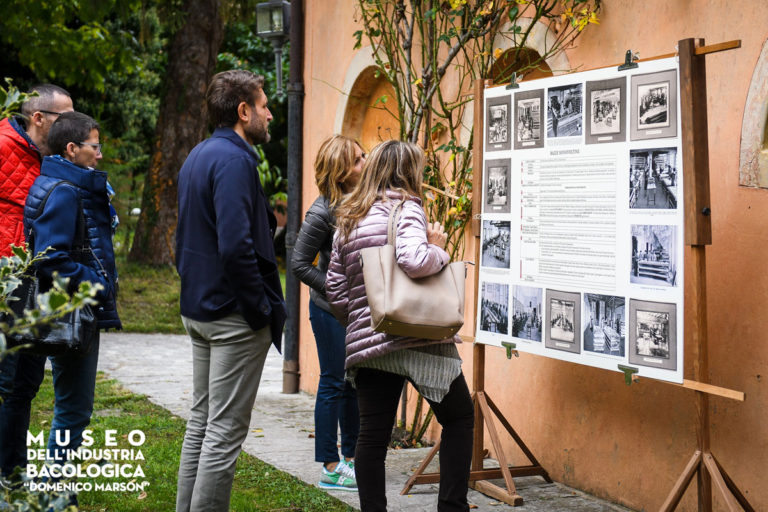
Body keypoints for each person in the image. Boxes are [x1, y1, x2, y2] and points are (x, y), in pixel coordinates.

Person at [326, 140, 474, 512]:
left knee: (372, 438)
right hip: (420, 336)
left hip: (370, 344)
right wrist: (437, 247)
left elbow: (335, 289)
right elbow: (413, 258)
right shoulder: (407, 207)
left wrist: (365, 319)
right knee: (459, 419)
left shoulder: (347, 217)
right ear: (409, 172)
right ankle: (452, 508)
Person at [175, 69, 287, 512]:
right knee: (222, 434)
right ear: (244, 112)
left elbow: (186, 235)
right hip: (231, 317)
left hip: (200, 309)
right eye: (263, 106)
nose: (270, 114)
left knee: (202, 424)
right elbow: (236, 246)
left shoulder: (198, 155)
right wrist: (258, 310)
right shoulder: (236, 161)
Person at [0, 111, 120, 477]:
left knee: (70, 406)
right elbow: (52, 258)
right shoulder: (65, 191)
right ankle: (56, 492)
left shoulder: (58, 181)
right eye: (94, 147)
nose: (99, 154)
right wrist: (98, 289)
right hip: (73, 311)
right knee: (74, 409)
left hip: (67, 308)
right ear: (72, 149)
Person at [290, 135, 365, 491]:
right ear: (340, 171)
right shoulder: (321, 213)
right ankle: (330, 465)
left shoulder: (359, 204)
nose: (364, 164)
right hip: (328, 311)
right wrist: (336, 290)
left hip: (353, 312)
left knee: (352, 382)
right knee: (334, 382)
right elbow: (299, 264)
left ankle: (352, 459)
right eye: (357, 161)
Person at [0, 84, 74, 258]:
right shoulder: (3, 146)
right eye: (66, 118)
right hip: (9, 272)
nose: (73, 125)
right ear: (39, 119)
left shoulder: (65, 154)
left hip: (46, 268)